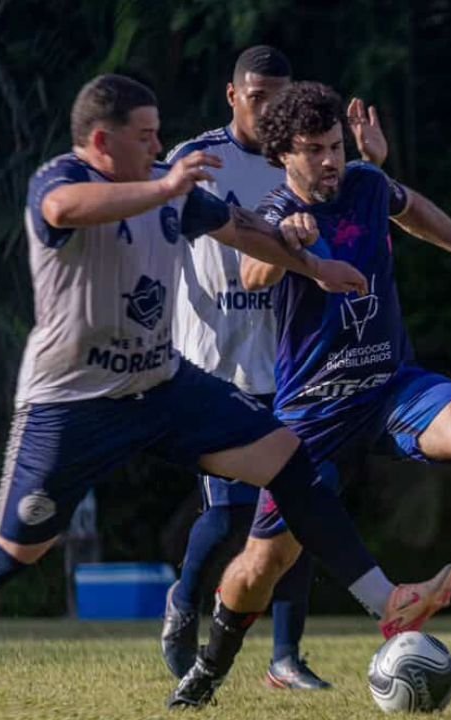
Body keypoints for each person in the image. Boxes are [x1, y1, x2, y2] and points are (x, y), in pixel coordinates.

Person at [0, 74, 451, 713]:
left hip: (161, 383)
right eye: (146, 137)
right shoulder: (62, 178)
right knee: (18, 549)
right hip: (72, 403)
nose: (161, 147)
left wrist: (315, 266)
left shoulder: (172, 188)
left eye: (160, 136)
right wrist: (163, 187)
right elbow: (61, 212)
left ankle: (387, 601)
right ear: (102, 141)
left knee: (287, 457)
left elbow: (240, 231)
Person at [166, 81, 451, 708]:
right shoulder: (271, 211)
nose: (329, 161)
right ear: (284, 154)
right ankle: (207, 671)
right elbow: (252, 271)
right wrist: (288, 243)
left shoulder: (367, 185)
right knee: (262, 567)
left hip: (391, 386)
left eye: (336, 147)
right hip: (314, 413)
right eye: (313, 150)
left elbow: (414, 210)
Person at [163, 45, 389, 690]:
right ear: (232, 95)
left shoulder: (301, 156)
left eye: (276, 98)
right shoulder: (198, 159)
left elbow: (359, 209)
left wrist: (371, 164)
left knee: (296, 502)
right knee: (233, 514)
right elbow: (170, 238)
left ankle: (285, 658)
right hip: (215, 360)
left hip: (289, 358)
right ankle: (183, 601)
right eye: (256, 97)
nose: (267, 110)